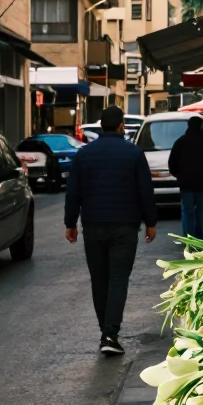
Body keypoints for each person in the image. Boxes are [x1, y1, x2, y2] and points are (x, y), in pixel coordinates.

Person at [64, 105, 157, 357]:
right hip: (125, 227)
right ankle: (110, 334)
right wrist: (151, 221)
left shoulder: (84, 155)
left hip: (93, 226)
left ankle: (105, 332)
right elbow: (144, 190)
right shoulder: (134, 153)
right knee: (117, 280)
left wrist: (70, 223)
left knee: (100, 280)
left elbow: (73, 191)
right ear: (121, 126)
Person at [168, 116, 203, 238]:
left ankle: (189, 237)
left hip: (186, 184)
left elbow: (172, 164)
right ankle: (202, 236)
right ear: (201, 125)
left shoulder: (181, 142)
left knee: (188, 212)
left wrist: (180, 176)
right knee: (202, 212)